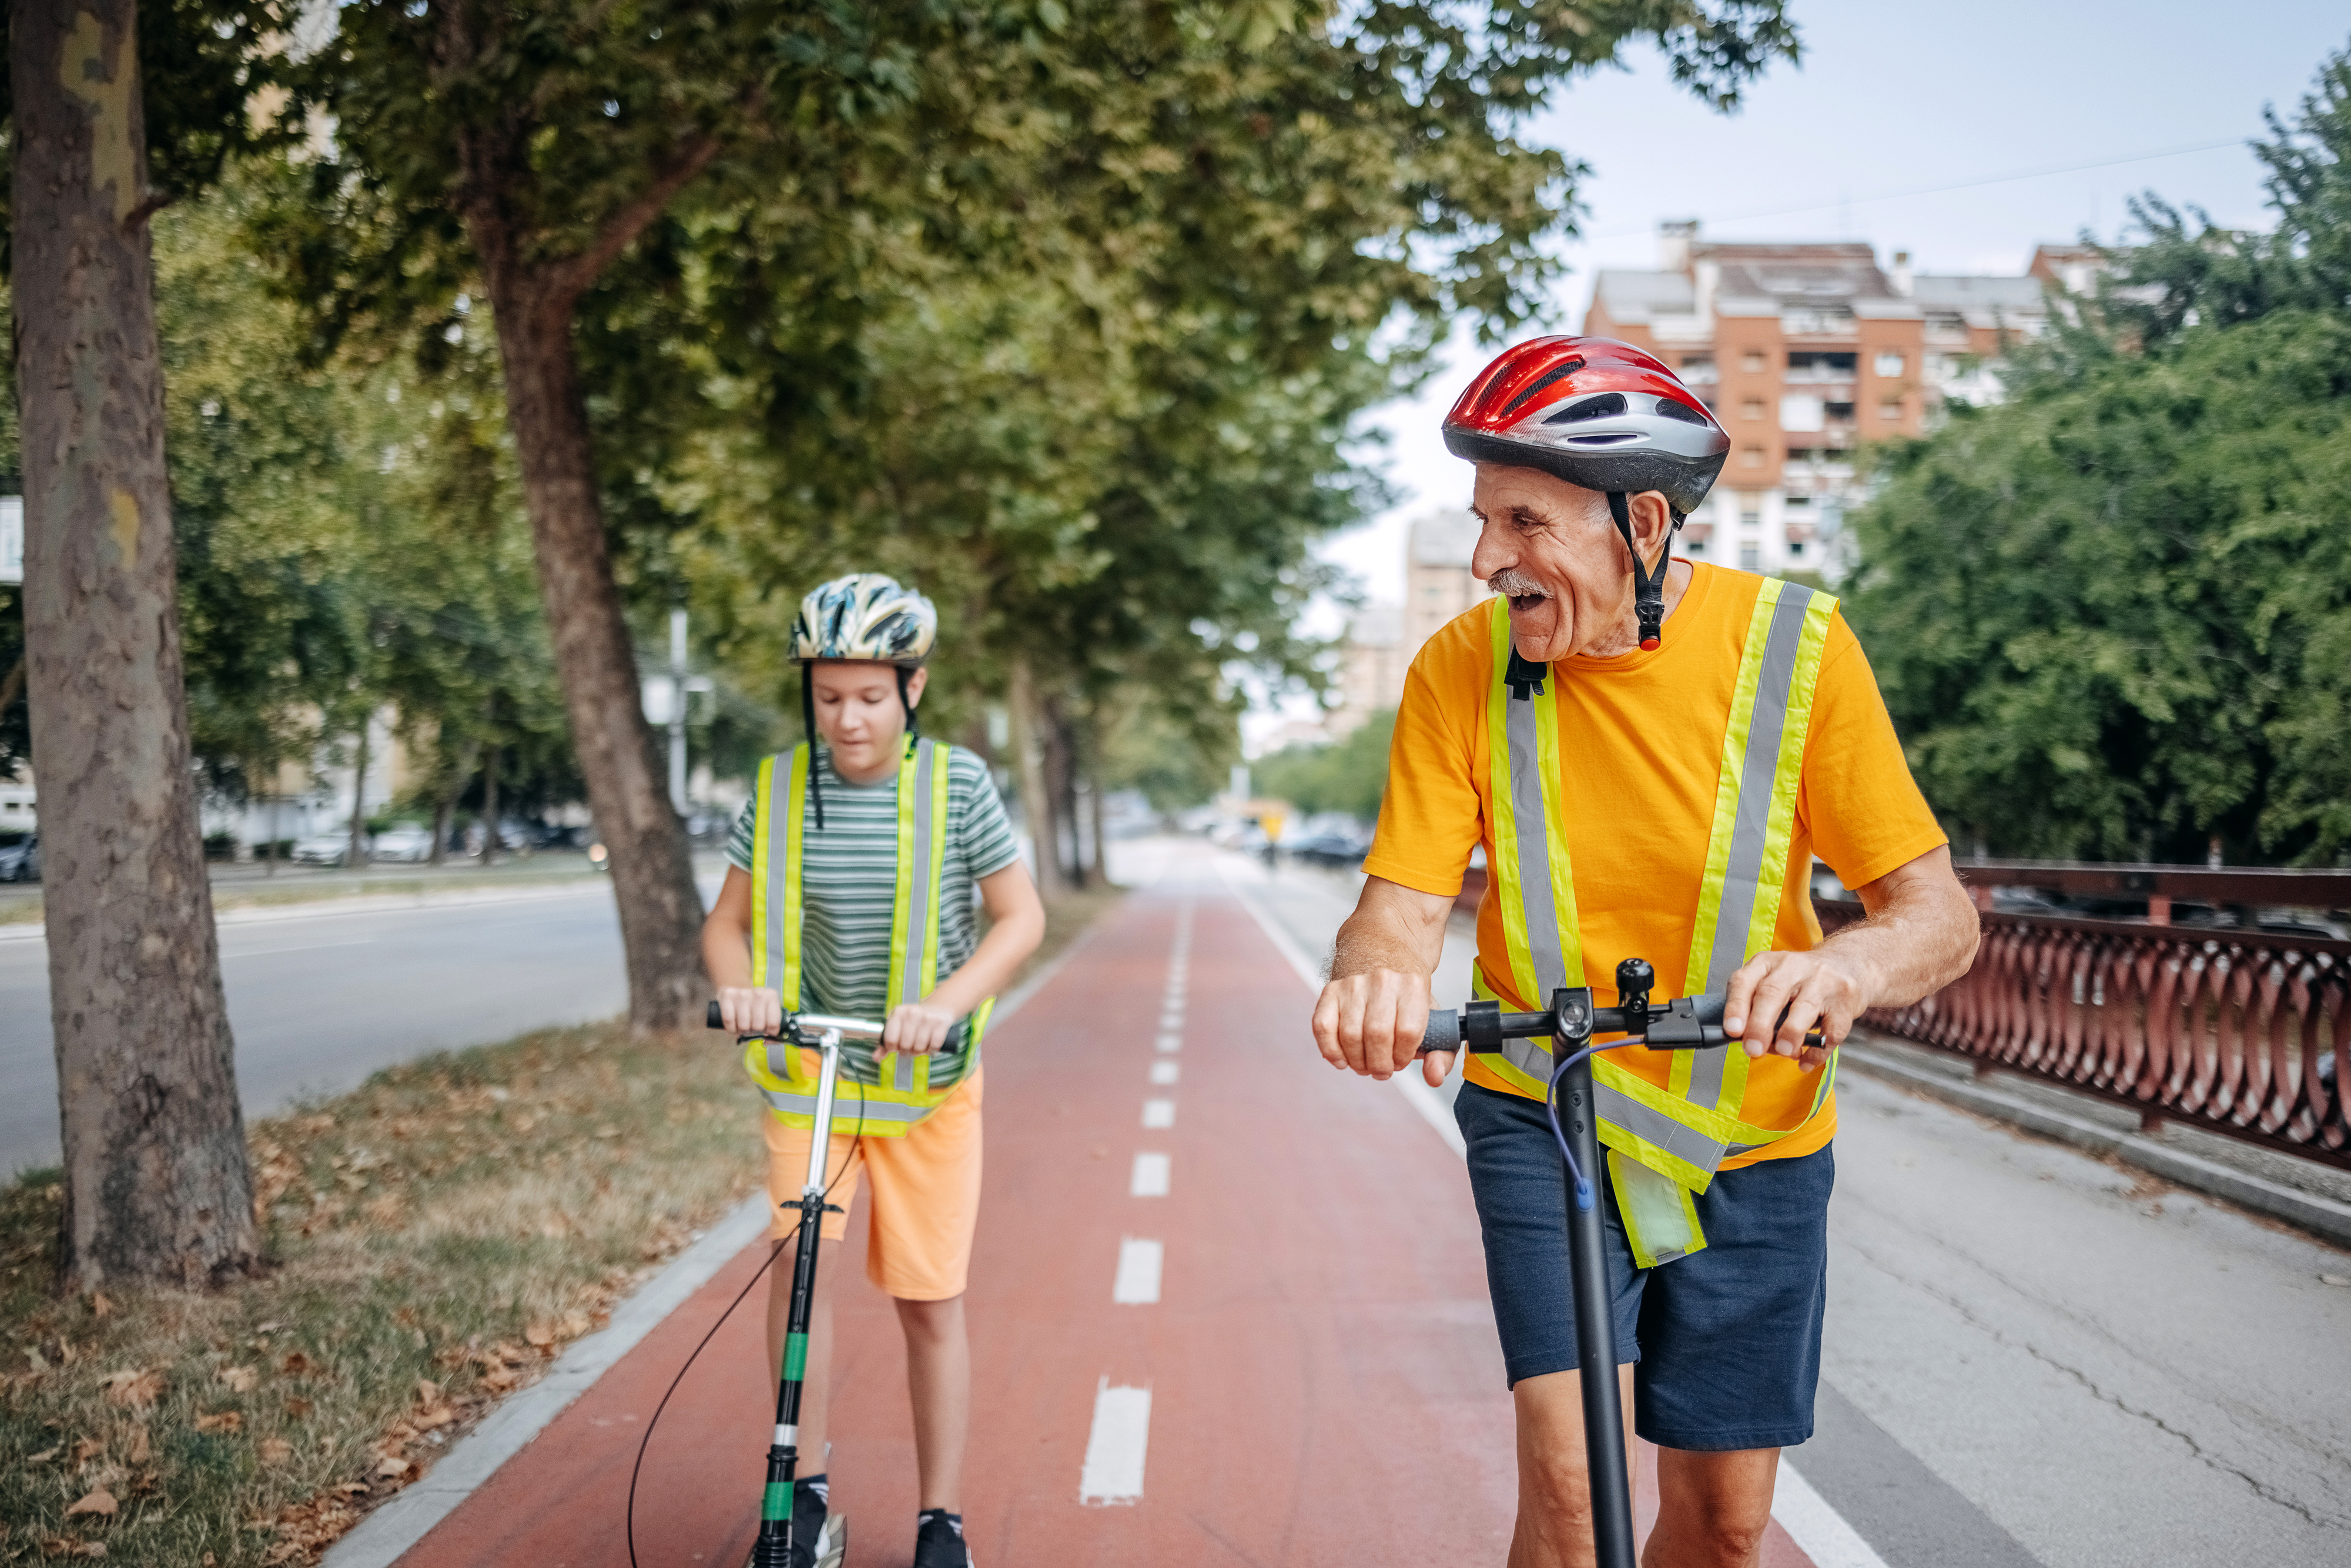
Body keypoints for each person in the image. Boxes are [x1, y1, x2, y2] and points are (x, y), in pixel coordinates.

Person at [1308, 338, 1980, 1568]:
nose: (1485, 559)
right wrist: (1374, 973)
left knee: (1725, 1528)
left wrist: (1841, 969)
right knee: (1569, 1494)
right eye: (1479, 519)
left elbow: (1936, 913)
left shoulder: (1797, 649)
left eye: (1522, 519)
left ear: (1643, 521)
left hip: (1756, 1126)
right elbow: (1396, 904)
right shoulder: (1457, 667)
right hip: (1546, 1107)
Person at [704, 572, 1044, 1568]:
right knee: (794, 1272)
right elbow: (723, 927)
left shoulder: (958, 784)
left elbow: (1020, 917)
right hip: (812, 1082)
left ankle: (942, 1519)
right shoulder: (773, 789)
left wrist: (944, 1004)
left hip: (927, 1093)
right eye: (827, 696)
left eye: (868, 696)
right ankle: (803, 1489)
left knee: (929, 1302)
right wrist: (745, 990)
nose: (847, 720)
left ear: (913, 689)